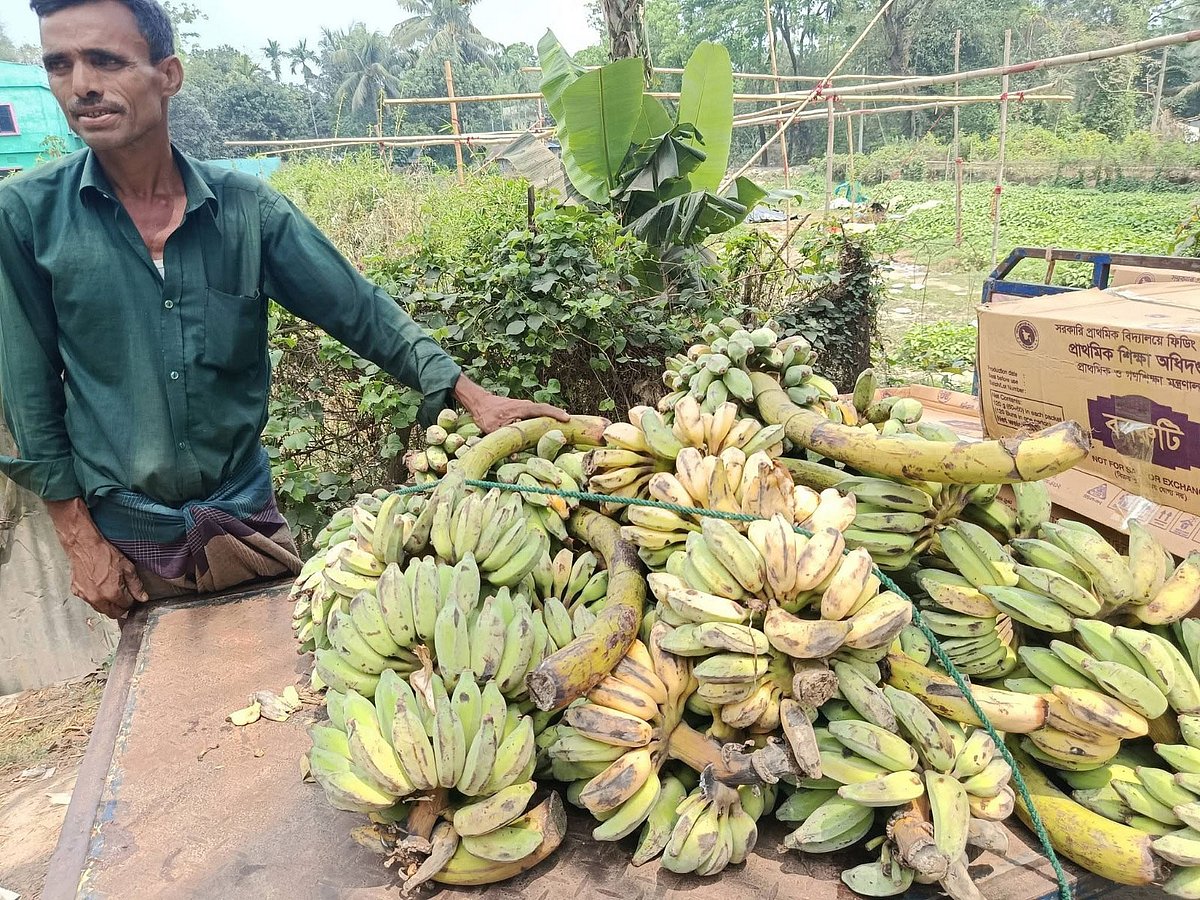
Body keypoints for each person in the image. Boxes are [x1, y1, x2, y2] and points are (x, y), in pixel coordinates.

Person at [0, 0, 568, 620]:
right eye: (60, 65)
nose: (82, 85)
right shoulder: (28, 218)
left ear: (168, 75)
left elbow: (359, 309)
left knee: (289, 689)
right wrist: (77, 537)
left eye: (105, 60)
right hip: (127, 539)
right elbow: (29, 393)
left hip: (246, 520)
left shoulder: (247, 211)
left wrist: (471, 396)